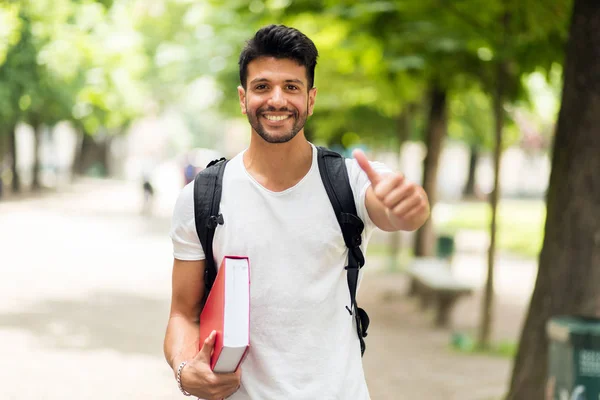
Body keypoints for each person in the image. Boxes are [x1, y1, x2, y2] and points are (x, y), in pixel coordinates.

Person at [164, 24, 430, 400]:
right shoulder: (201, 197)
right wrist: (184, 370)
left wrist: (410, 208)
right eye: (262, 87)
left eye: (291, 87)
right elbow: (181, 314)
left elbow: (394, 210)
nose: (277, 100)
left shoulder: (349, 181)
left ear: (311, 98)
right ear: (242, 98)